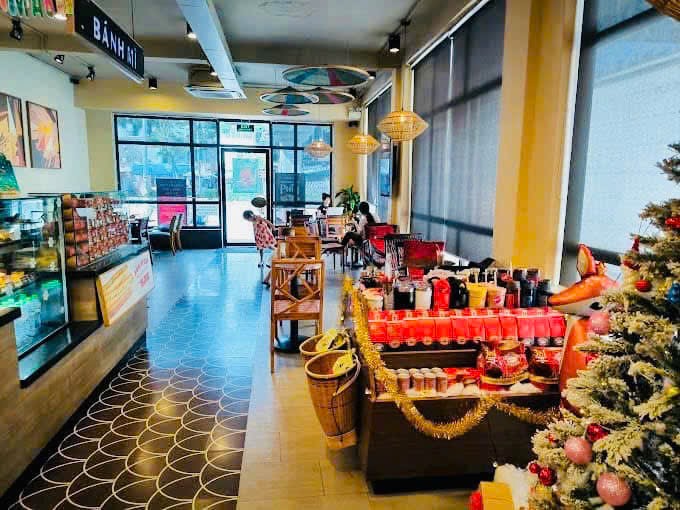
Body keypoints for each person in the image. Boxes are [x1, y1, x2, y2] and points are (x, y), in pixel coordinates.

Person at [243, 210, 276, 284]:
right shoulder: (253, 220)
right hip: (258, 235)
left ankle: (277, 250)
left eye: (248, 219)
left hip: (264, 234)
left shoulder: (258, 217)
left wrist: (272, 226)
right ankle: (261, 260)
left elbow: (266, 221)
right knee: (260, 248)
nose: (249, 220)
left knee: (269, 246)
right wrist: (255, 236)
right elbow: (255, 228)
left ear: (250, 215)